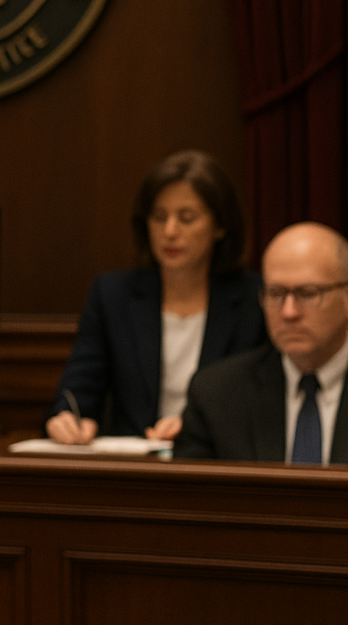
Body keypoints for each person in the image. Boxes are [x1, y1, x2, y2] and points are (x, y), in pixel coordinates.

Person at [46, 150, 266, 444]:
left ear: (220, 226)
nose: (170, 231)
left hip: (215, 463)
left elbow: (259, 400)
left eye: (186, 218)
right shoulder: (112, 295)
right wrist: (68, 418)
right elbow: (79, 388)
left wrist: (194, 425)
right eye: (159, 217)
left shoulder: (255, 299)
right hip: (135, 464)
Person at [177, 223, 348, 465]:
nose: (288, 312)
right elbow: (190, 499)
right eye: (275, 294)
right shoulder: (217, 394)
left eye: (307, 293)